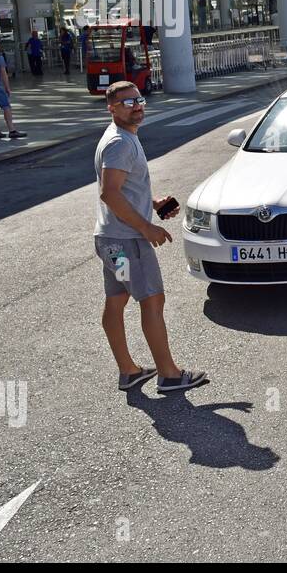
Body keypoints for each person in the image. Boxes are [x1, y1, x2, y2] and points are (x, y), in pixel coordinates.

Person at [94, 80, 207, 394]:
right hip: (128, 241)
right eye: (128, 102)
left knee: (116, 301)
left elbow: (122, 189)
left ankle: (128, 371)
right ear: (112, 108)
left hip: (110, 240)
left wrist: (153, 203)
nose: (137, 106)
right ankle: (169, 374)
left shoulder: (120, 137)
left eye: (139, 99)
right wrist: (145, 227)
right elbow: (110, 193)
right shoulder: (120, 142)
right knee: (152, 301)